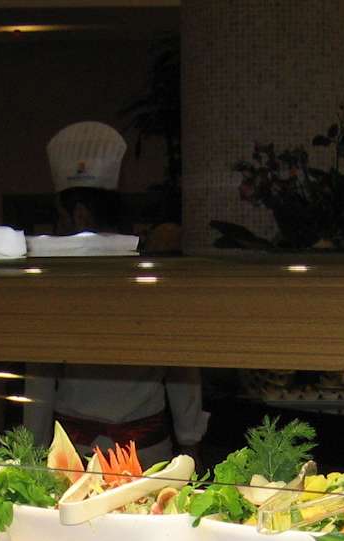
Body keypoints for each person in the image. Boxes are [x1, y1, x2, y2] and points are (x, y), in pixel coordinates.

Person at [23, 121, 208, 464]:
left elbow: (40, 381)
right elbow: (182, 370)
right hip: (128, 452)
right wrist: (190, 440)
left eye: (61, 217)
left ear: (79, 214)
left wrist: (30, 449)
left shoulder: (56, 285)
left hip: (89, 452)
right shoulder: (151, 278)